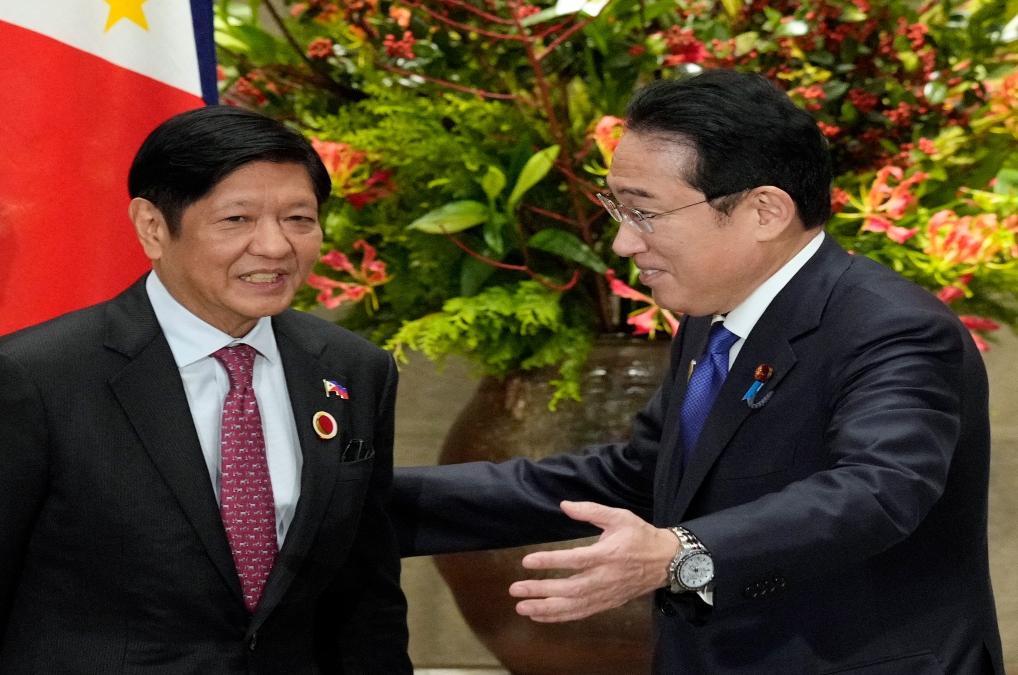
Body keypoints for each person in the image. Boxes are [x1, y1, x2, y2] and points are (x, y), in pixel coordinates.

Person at [389, 69, 1003, 674]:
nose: (623, 244)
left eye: (646, 212)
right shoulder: (713, 321)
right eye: (617, 208)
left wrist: (678, 553)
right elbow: (640, 476)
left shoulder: (890, 327)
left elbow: (878, 490)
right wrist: (354, 498)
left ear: (765, 211)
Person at [0, 106, 411, 674]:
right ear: (152, 227)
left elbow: (367, 600)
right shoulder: (32, 379)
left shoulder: (352, 370)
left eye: (298, 219)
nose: (275, 246)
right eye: (236, 219)